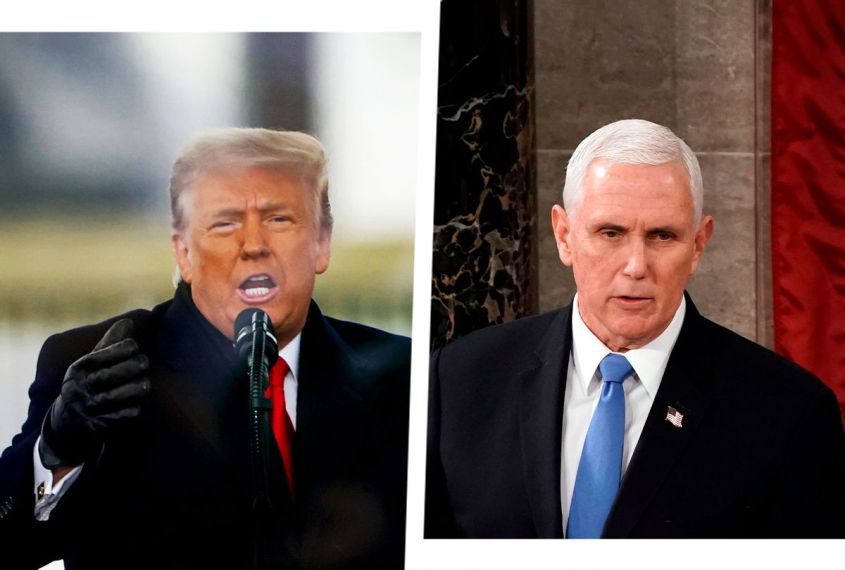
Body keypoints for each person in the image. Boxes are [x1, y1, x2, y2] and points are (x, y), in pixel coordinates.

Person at [0, 128, 411, 568]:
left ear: (322, 243)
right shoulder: (93, 367)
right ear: (183, 254)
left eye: (279, 219)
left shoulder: (403, 378)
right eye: (225, 222)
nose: (254, 245)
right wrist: (55, 452)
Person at [424, 119, 845, 539]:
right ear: (564, 236)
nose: (636, 266)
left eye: (663, 236)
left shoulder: (790, 413)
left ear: (698, 245)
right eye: (611, 233)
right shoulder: (459, 381)